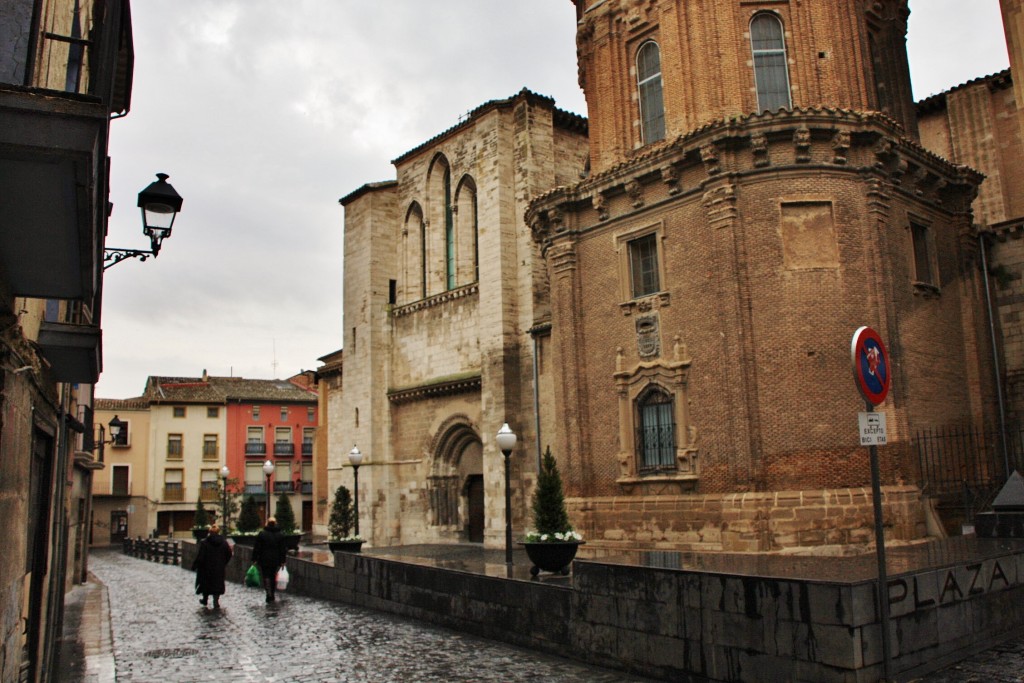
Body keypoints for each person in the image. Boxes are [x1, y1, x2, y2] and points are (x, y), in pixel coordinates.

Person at [192, 524, 233, 608]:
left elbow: (201, 556)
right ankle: (216, 601)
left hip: (206, 567)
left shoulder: (205, 543)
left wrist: (195, 565)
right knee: (217, 583)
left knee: (206, 583)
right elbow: (229, 554)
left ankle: (205, 599)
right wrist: (223, 562)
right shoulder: (224, 543)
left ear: (209, 532)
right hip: (219, 567)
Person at [251, 516, 287, 603]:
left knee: (266, 575)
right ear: (275, 523)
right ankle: (272, 593)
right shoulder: (280, 535)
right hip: (275, 559)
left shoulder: (262, 534)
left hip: (264, 559)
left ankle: (268, 593)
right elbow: (283, 549)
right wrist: (283, 561)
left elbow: (257, 548)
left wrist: (254, 558)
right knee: (273, 575)